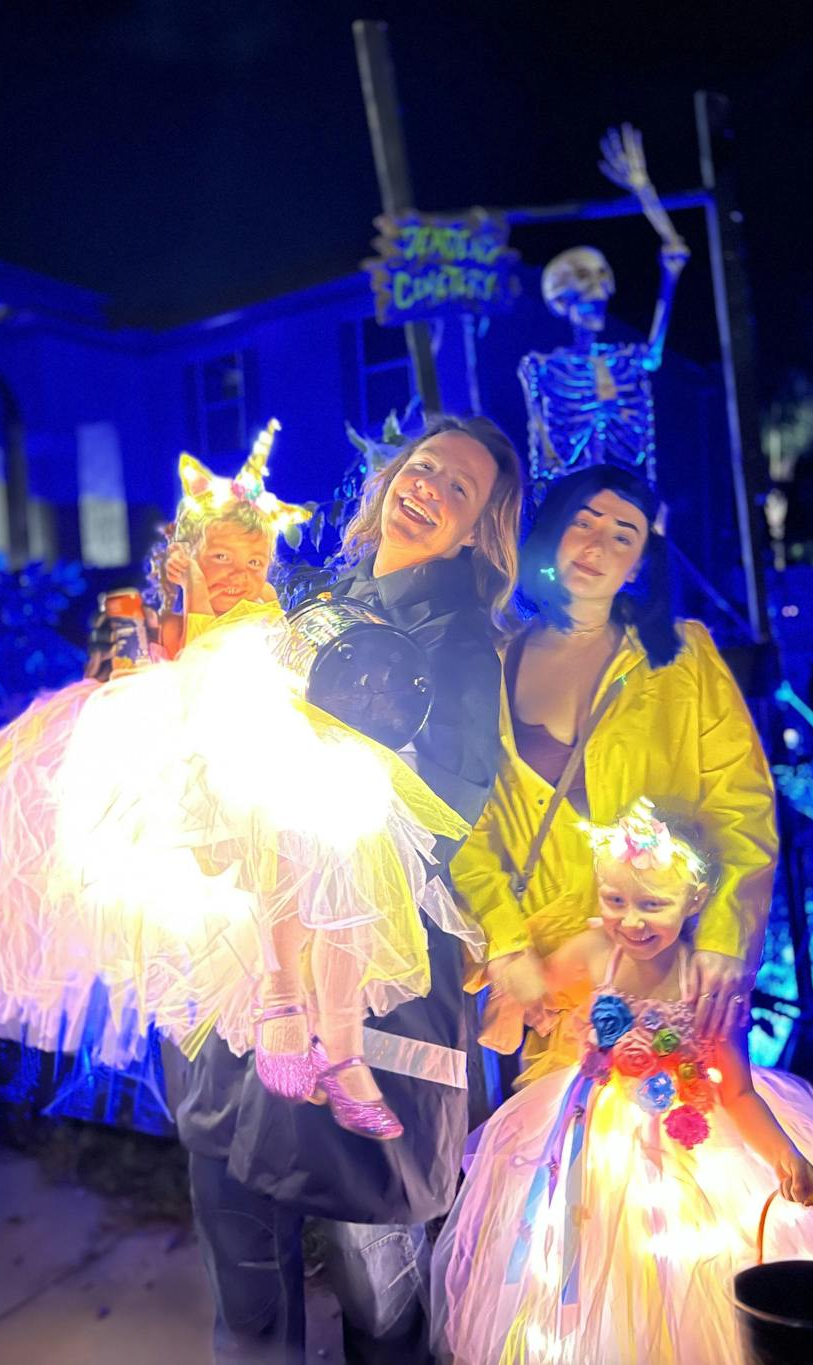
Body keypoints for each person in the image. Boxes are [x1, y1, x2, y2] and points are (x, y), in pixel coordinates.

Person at [0, 426, 478, 1124]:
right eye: (220, 555)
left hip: (282, 750)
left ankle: (341, 1049)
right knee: (279, 848)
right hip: (203, 770)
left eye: (254, 560)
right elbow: (140, 679)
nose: (238, 572)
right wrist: (175, 610)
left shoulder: (279, 619)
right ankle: (282, 1000)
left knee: (347, 865)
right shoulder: (159, 622)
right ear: (183, 557)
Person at [176, 414, 524, 1363]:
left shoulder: (461, 646)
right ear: (392, 476)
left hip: (373, 993)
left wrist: (301, 793)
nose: (429, 487)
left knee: (381, 1295)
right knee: (246, 1275)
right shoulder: (322, 590)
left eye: (459, 488)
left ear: (477, 532)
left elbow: (441, 812)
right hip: (256, 965)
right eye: (424, 467)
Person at [432, 806, 813, 1365]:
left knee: (696, 1271)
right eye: (615, 900)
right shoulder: (595, 951)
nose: (631, 921)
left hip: (691, 1147)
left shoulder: (705, 985)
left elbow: (738, 1092)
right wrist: (517, 990)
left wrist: (786, 1155)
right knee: (593, 1275)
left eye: (652, 905)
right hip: (595, 1148)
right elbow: (535, 985)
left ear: (695, 900)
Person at [450, 462, 778, 1087]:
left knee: (677, 1129)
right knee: (564, 1136)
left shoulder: (682, 658)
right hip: (551, 980)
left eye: (623, 535)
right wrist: (505, 945)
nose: (597, 546)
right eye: (584, 523)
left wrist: (724, 937)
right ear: (553, 532)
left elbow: (741, 806)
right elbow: (470, 824)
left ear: (639, 563)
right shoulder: (492, 662)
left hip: (663, 965)